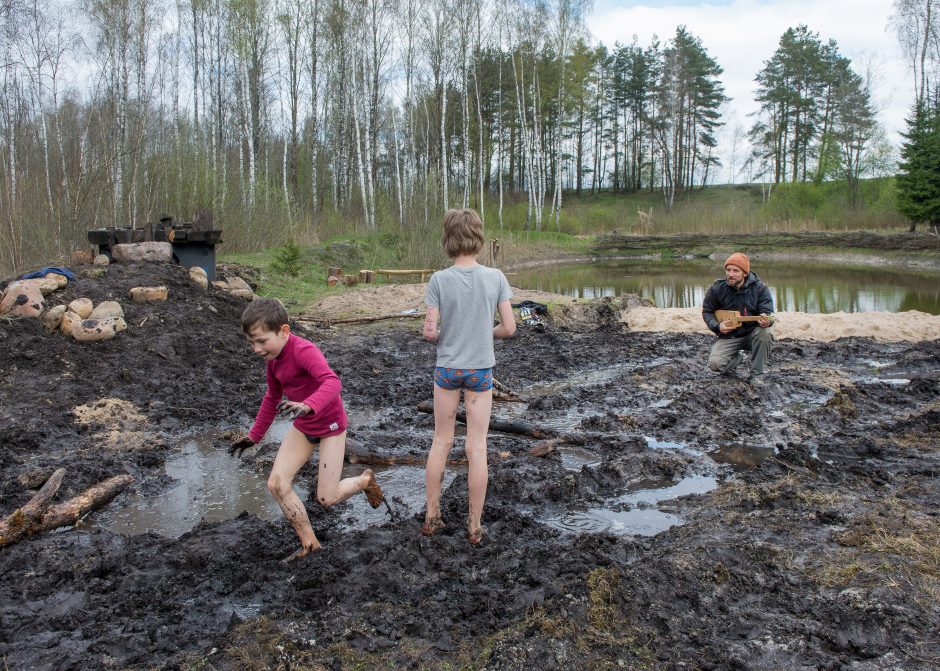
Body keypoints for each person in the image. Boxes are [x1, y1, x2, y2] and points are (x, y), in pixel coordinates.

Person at [230, 298, 385, 560]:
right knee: (277, 484)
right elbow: (272, 397)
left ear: (284, 331)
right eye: (251, 343)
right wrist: (254, 436)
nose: (256, 349)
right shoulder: (273, 360)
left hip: (331, 425)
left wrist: (308, 404)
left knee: (326, 498)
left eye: (261, 341)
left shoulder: (303, 351)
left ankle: (363, 481)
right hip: (304, 425)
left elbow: (332, 382)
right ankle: (310, 544)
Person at [422, 208, 516, 545]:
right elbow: (509, 327)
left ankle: (432, 517)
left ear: (448, 240)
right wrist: (483, 333)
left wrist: (443, 331)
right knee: (477, 446)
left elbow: (430, 333)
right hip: (480, 373)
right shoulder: (496, 277)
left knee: (440, 441)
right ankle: (474, 526)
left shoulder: (438, 280)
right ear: (478, 239)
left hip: (447, 370)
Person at [702, 252, 775, 379]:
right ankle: (737, 359)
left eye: (735, 271)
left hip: (753, 334)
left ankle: (757, 374)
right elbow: (707, 311)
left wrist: (767, 320)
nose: (730, 274)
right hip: (729, 336)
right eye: (728, 270)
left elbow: (768, 313)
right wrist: (717, 326)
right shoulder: (717, 288)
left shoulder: (760, 288)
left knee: (766, 333)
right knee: (715, 365)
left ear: (745, 273)